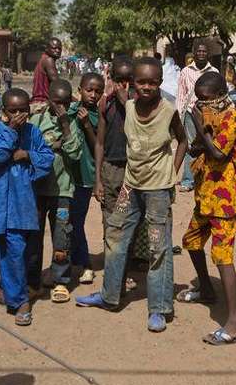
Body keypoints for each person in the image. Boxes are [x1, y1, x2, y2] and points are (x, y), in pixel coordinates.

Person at [76, 57, 188, 333]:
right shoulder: (127, 106)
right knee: (115, 236)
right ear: (133, 84)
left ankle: (160, 308)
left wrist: (173, 174)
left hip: (158, 191)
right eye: (141, 82)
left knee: (158, 247)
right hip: (131, 186)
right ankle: (109, 296)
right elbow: (112, 116)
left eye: (152, 82)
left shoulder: (168, 111)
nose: (147, 87)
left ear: (160, 83)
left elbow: (183, 141)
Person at [177, 72, 236, 345]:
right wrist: (195, 137)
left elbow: (218, 152)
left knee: (222, 256)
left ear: (220, 94)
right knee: (191, 241)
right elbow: (200, 149)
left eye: (206, 99)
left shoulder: (231, 116)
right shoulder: (211, 115)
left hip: (225, 200)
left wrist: (196, 122)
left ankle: (235, 322)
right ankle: (206, 289)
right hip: (206, 195)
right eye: (199, 100)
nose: (202, 104)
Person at [0, 88, 54, 326]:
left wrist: (27, 154)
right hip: (5, 202)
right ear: (4, 112)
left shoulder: (33, 132)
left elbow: (47, 158)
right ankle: (20, 302)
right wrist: (12, 132)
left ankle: (9, 287)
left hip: (27, 200)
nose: (18, 115)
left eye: (22, 111)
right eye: (13, 111)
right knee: (11, 248)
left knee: (28, 250)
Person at [94, 56, 147, 292]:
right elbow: (100, 143)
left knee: (131, 221)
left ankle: (125, 269)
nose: (123, 86)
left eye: (128, 80)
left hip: (134, 169)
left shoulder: (140, 105)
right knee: (111, 222)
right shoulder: (106, 105)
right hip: (111, 169)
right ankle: (115, 273)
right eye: (119, 80)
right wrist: (98, 178)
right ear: (112, 80)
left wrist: (127, 104)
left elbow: (141, 133)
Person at [27, 80, 83, 304]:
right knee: (34, 236)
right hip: (38, 189)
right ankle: (33, 280)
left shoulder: (71, 123)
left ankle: (61, 280)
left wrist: (65, 124)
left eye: (66, 103)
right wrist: (54, 145)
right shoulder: (36, 121)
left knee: (62, 236)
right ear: (49, 99)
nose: (61, 107)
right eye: (57, 103)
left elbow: (75, 152)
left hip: (63, 189)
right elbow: (34, 150)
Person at [68, 73, 105, 284]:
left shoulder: (97, 116)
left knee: (76, 221)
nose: (93, 94)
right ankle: (73, 261)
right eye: (89, 90)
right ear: (80, 89)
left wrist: (87, 126)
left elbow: (98, 146)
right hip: (68, 176)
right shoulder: (72, 111)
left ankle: (85, 264)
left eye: (98, 91)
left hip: (85, 176)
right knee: (68, 221)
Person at [176, 44, 219, 192]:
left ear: (208, 54)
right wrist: (178, 116)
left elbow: (220, 92)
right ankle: (188, 180)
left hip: (210, 113)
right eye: (198, 51)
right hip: (190, 112)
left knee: (210, 145)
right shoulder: (186, 71)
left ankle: (207, 179)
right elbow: (181, 95)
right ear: (194, 53)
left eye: (204, 51)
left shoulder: (214, 72)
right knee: (190, 146)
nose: (201, 53)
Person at [31, 37, 63, 111]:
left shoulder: (43, 59)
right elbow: (57, 85)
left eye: (59, 49)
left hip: (38, 101)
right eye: (54, 48)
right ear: (47, 49)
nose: (57, 51)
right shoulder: (49, 60)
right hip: (43, 103)